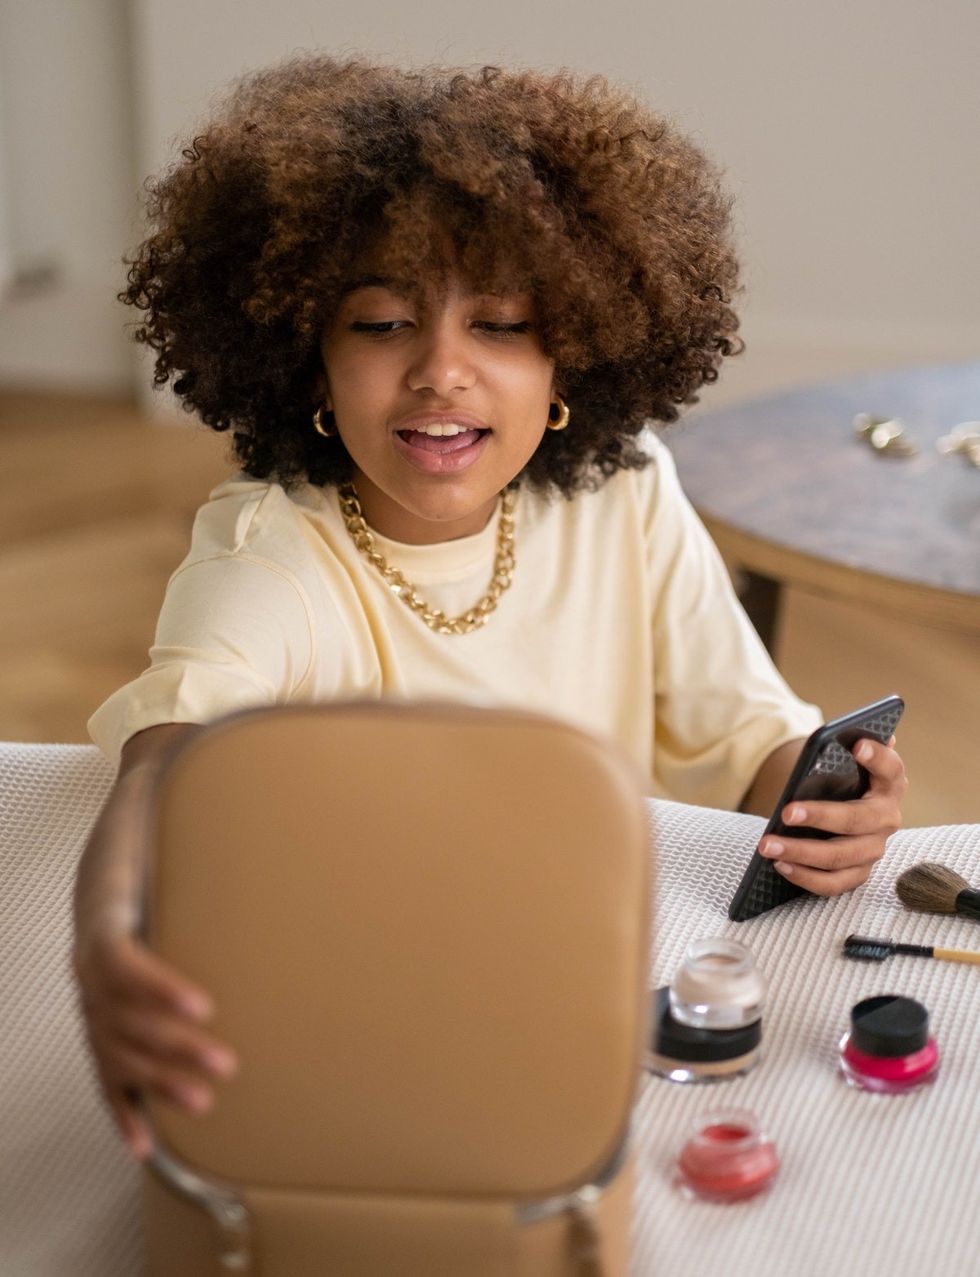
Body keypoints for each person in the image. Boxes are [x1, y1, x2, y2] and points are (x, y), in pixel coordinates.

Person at [74, 56, 907, 1159]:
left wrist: (821, 805)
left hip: (602, 968)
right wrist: (103, 935)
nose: (440, 370)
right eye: (380, 323)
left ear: (572, 353)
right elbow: (160, 762)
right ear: (305, 362)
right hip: (384, 1003)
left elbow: (746, 734)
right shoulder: (271, 553)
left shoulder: (624, 489)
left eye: (501, 324)